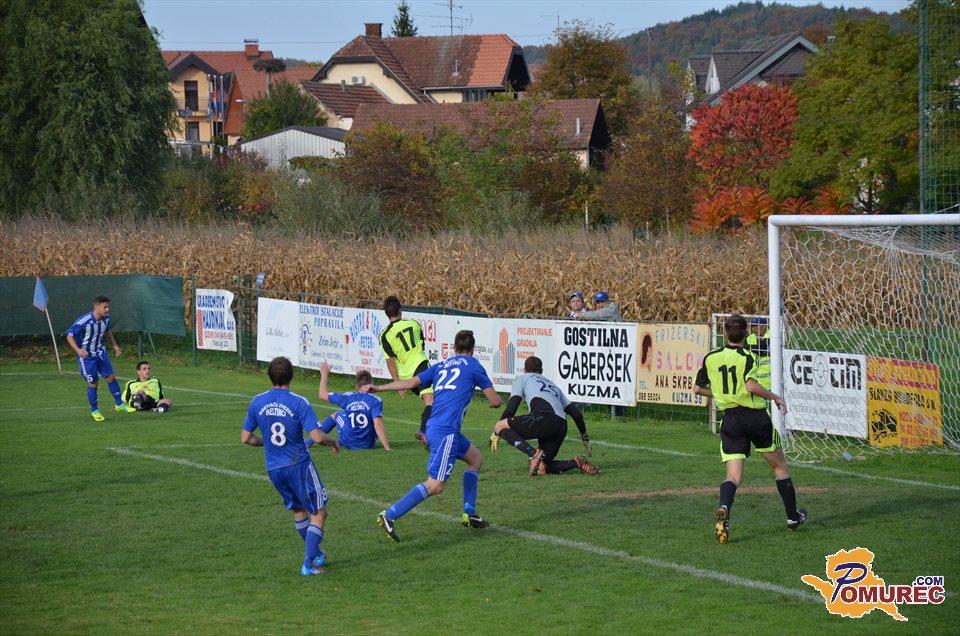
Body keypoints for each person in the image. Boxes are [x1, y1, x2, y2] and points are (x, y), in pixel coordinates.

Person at [364, 330, 502, 542]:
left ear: (454, 348)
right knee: (435, 484)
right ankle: (389, 515)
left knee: (476, 459)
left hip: (437, 426)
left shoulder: (441, 366)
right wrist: (493, 403)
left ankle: (470, 513)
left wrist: (378, 387)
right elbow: (495, 401)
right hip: (446, 430)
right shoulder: (474, 365)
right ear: (473, 350)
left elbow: (410, 383)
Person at [693, 314, 807, 545]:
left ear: (725, 332)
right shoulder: (748, 356)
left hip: (731, 420)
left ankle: (724, 507)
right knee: (779, 467)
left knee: (733, 476)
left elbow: (697, 388)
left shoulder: (711, 357)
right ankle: (792, 517)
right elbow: (751, 386)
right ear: (746, 333)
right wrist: (774, 396)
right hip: (755, 417)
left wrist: (721, 394)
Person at [241, 356, 340, 576]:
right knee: (319, 513)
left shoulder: (257, 401)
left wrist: (266, 442)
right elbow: (317, 436)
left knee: (298, 510)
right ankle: (308, 564)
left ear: (269, 376)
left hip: (274, 469)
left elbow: (246, 438)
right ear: (291, 376)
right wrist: (333, 442)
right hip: (298, 465)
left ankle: (316, 554)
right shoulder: (298, 402)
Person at [489, 356, 599, 477]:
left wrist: (497, 432)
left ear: (524, 370)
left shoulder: (522, 378)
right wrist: (585, 437)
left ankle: (533, 453)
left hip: (543, 418)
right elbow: (576, 414)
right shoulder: (553, 385)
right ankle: (576, 463)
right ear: (541, 371)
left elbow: (511, 409)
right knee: (541, 468)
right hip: (561, 426)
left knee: (499, 426)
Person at [64, 295, 132, 421]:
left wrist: (115, 346)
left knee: (111, 377)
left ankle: (119, 404)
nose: (107, 310)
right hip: (87, 358)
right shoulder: (83, 321)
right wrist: (78, 350)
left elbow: (107, 331)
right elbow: (69, 336)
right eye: (105, 307)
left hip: (100, 353)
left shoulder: (106, 318)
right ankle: (94, 411)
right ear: (96, 307)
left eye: (108, 307)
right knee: (93, 384)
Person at [379, 295, 433, 451]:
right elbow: (421, 345)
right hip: (420, 366)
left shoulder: (385, 335)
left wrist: (397, 382)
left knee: (432, 402)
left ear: (386, 313)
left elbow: (389, 360)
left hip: (405, 376)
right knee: (431, 402)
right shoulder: (413, 324)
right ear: (400, 310)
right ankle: (423, 431)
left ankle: (428, 432)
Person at [313, 360, 391, 450]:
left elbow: (322, 394)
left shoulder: (348, 397)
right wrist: (387, 448)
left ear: (357, 386)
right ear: (372, 384)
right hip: (368, 445)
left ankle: (310, 441)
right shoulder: (375, 400)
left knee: (337, 414)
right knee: (374, 418)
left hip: (348, 443)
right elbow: (378, 425)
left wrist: (324, 375)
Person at [745, 316, 771, 391]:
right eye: (753, 327)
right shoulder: (750, 338)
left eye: (757, 326)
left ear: (764, 326)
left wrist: (750, 349)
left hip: (771, 382)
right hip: (755, 382)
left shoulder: (773, 336)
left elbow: (761, 348)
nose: (754, 329)